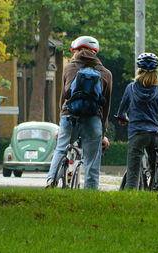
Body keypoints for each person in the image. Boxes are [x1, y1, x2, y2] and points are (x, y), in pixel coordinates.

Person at [46, 36, 112, 190]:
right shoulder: (106, 73)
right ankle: (90, 191)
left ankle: (51, 180)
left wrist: (61, 121)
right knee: (92, 159)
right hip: (93, 118)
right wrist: (103, 132)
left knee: (61, 148)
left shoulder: (69, 68)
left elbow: (63, 96)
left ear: (76, 51)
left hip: (69, 116)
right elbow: (106, 105)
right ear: (95, 52)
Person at [116, 52, 158, 190]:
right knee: (154, 163)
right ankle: (155, 187)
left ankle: (130, 198)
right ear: (156, 73)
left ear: (139, 71)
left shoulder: (130, 88)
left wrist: (122, 118)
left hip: (137, 134)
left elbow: (122, 111)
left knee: (133, 171)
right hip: (155, 135)